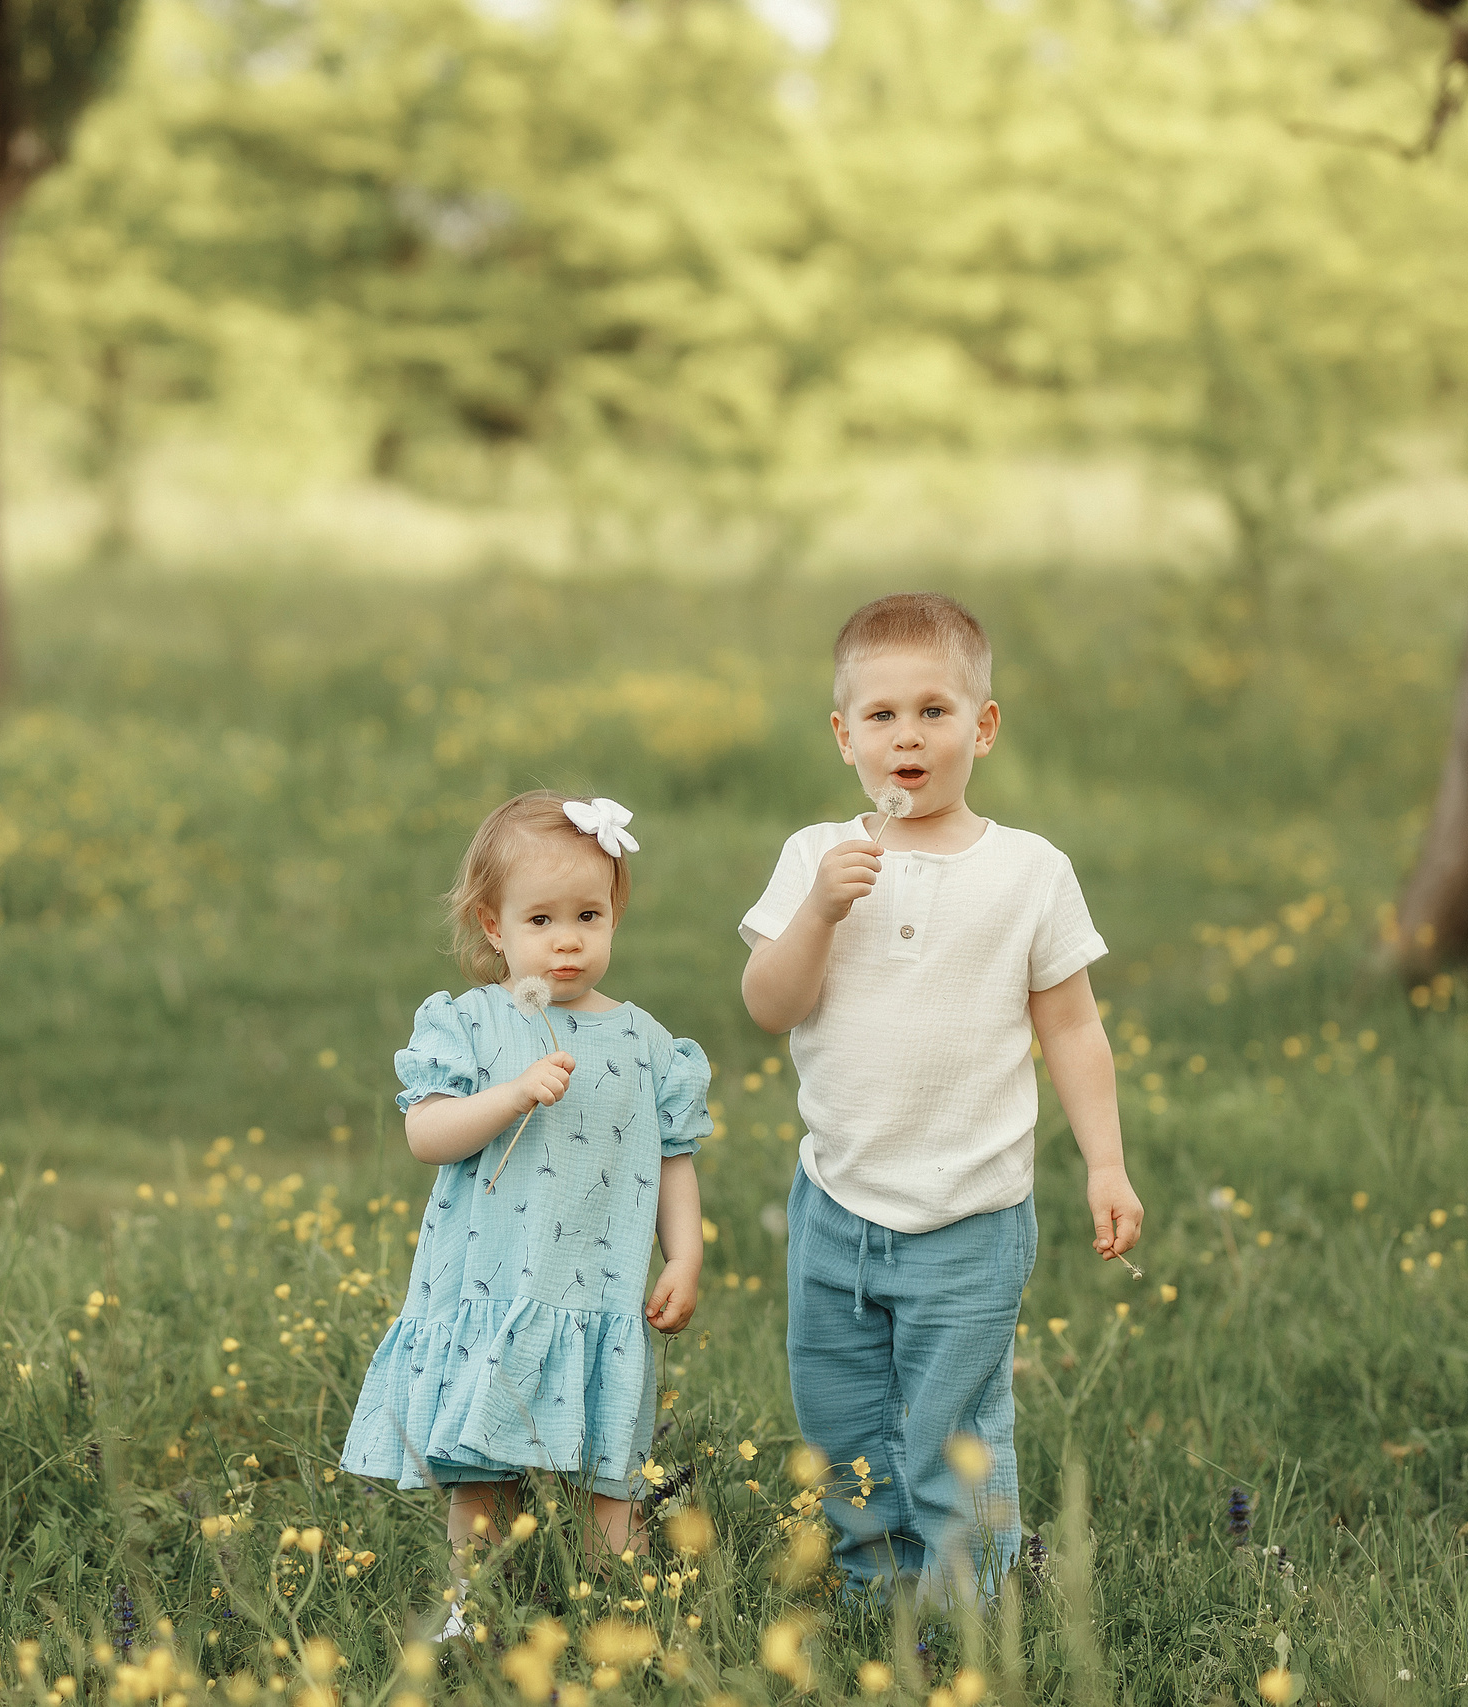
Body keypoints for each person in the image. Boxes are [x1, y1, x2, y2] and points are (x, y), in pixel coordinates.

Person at [739, 591, 1144, 1598]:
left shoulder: (1028, 873)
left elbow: (1072, 1027)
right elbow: (768, 1004)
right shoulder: (814, 858)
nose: (906, 735)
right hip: (836, 1200)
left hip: (970, 1211)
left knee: (948, 1422)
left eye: (933, 711)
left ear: (983, 725)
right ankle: (874, 1584)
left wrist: (1105, 1163)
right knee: (841, 1414)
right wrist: (820, 914)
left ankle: (964, 1598)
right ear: (844, 738)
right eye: (880, 716)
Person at [341, 789, 712, 1625]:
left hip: (600, 1294)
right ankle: (474, 1607)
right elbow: (427, 1132)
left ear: (615, 912)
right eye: (540, 919)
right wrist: (510, 1094)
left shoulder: (649, 1044)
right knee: (485, 1475)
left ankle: (623, 1614)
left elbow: (673, 1159)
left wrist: (683, 1255)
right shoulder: (469, 1025)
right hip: (494, 1289)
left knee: (608, 1472)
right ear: (494, 926)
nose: (568, 938)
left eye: (589, 913)